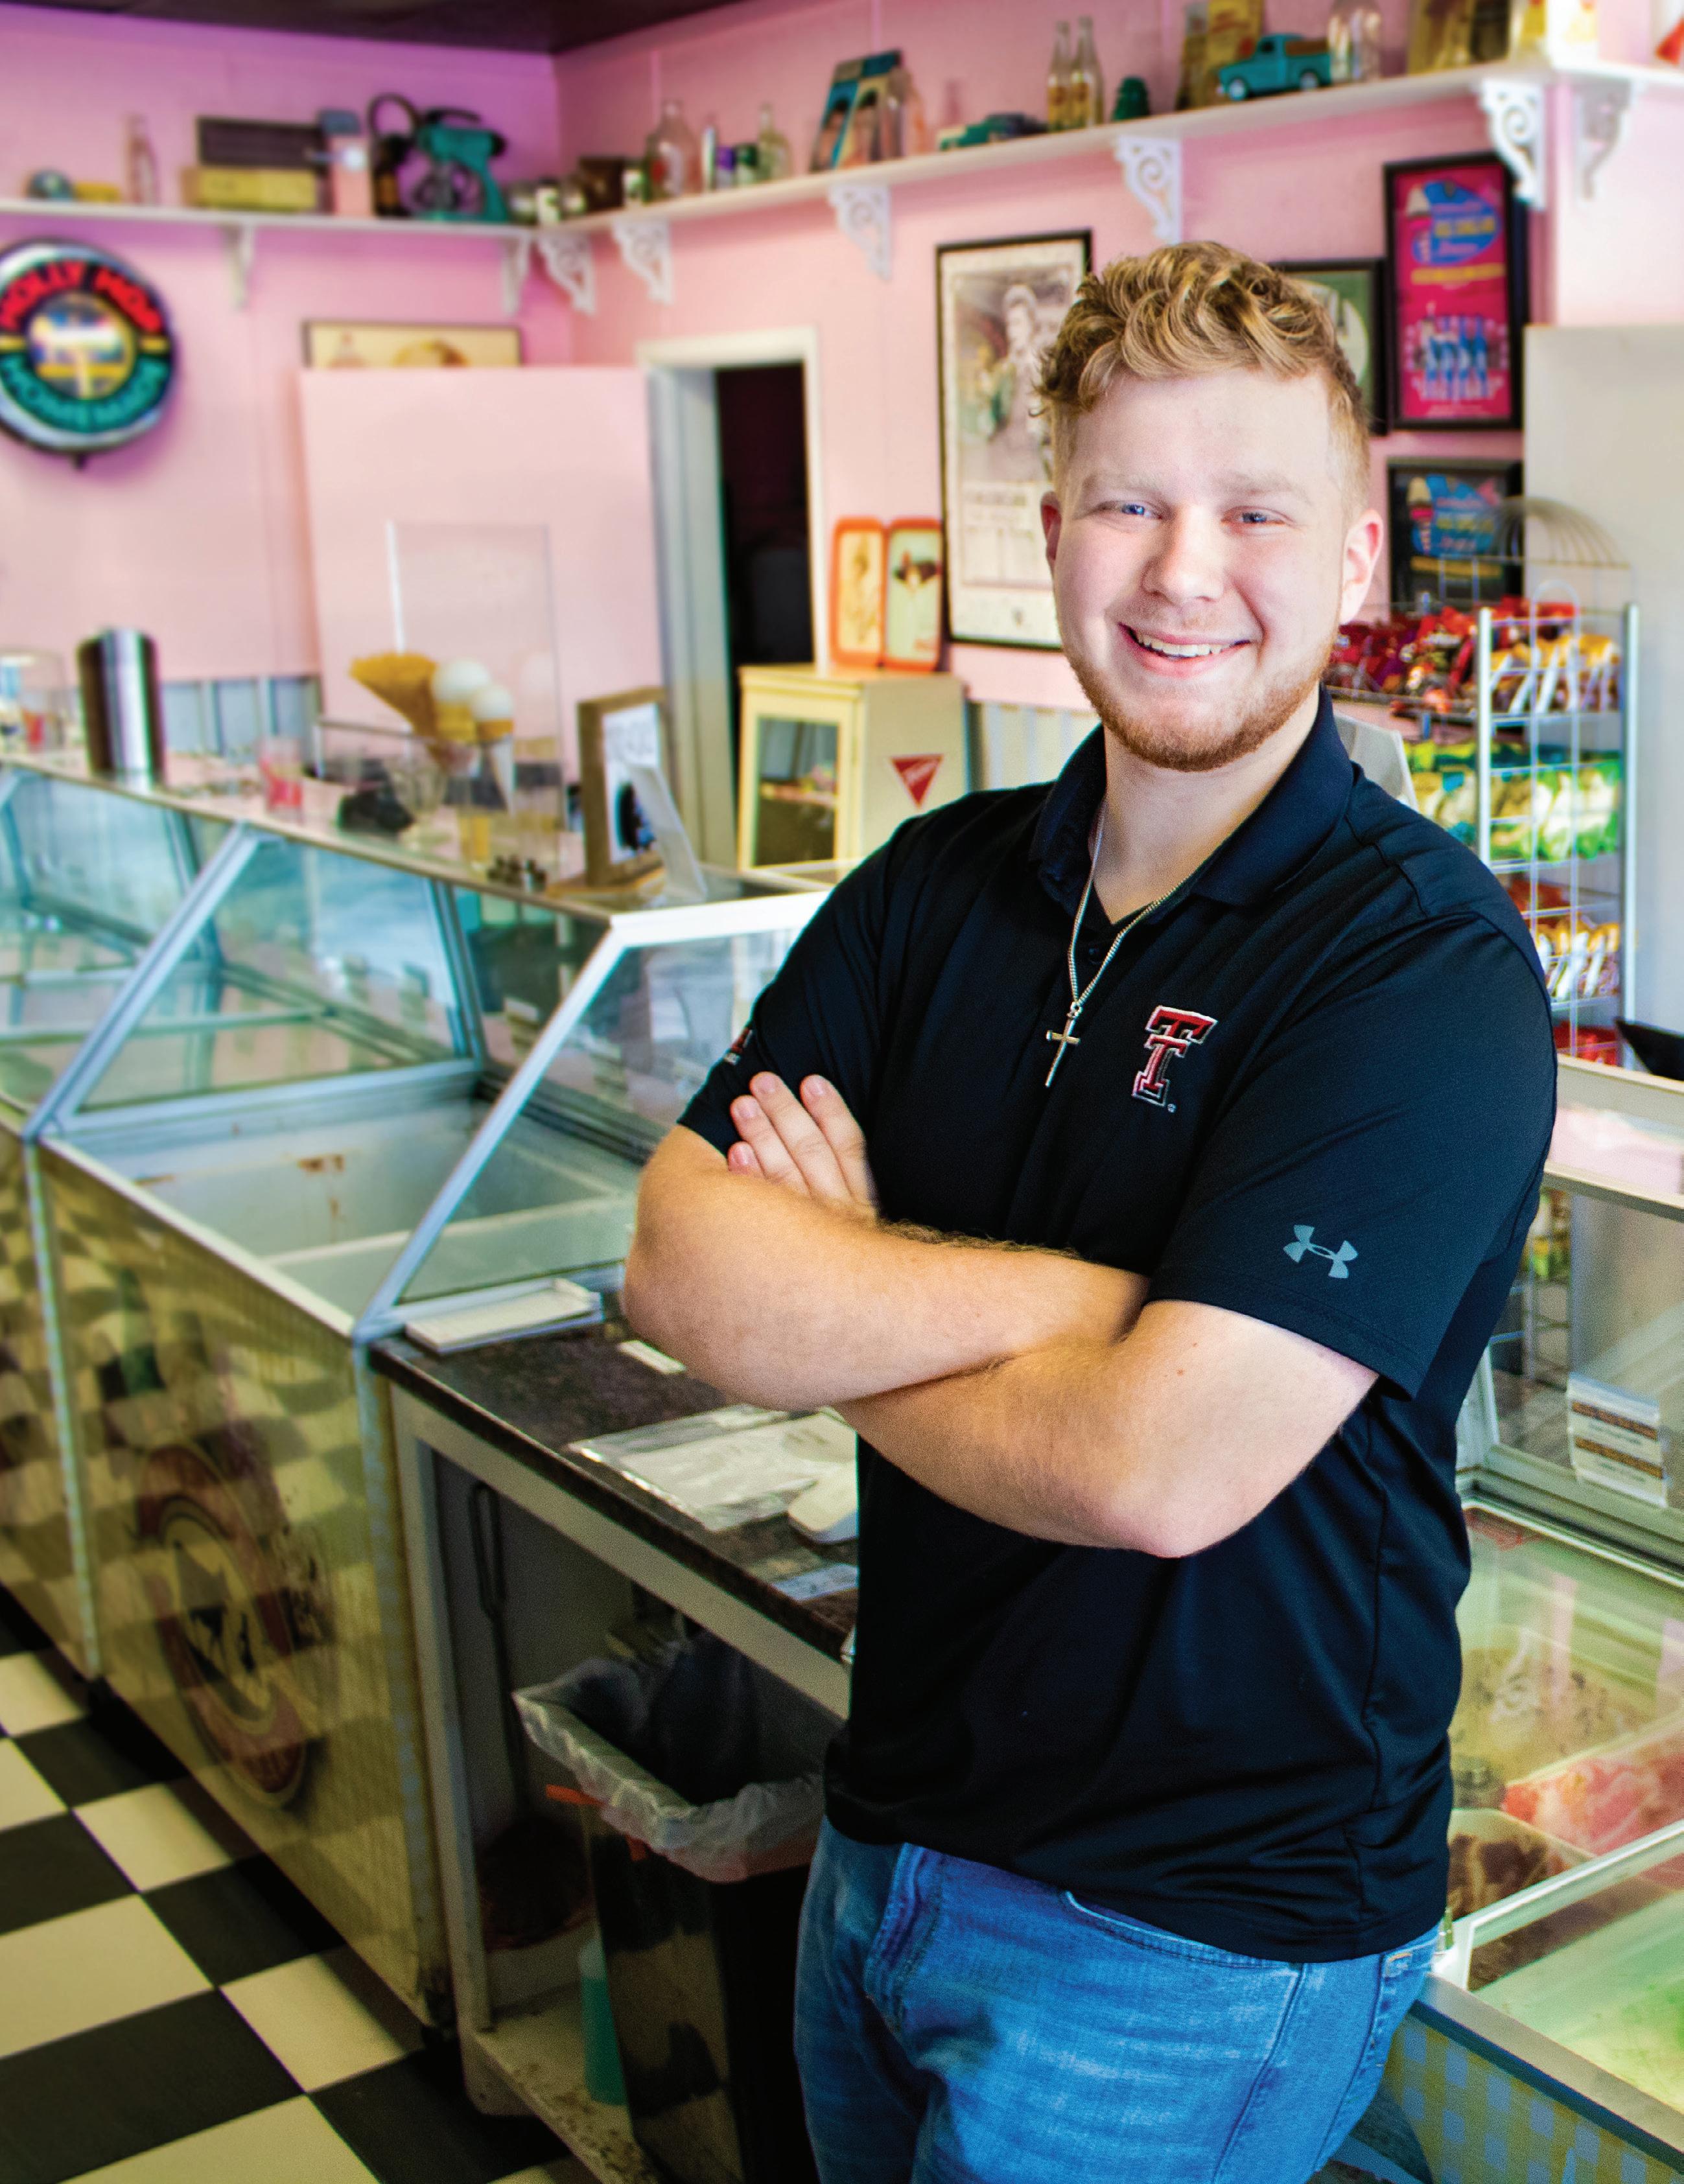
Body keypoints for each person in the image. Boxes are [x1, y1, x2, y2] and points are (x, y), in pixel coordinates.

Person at [624, 240, 1556, 2183]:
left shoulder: (1420, 965)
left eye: (1254, 514)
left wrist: (838, 1304)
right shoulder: (930, 887)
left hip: (1197, 1934)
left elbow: (1158, 1468)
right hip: (888, 1838)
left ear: (1356, 564)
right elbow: (684, 1267)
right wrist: (1082, 1303)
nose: (1183, 570)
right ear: (1052, 536)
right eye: (1129, 504)